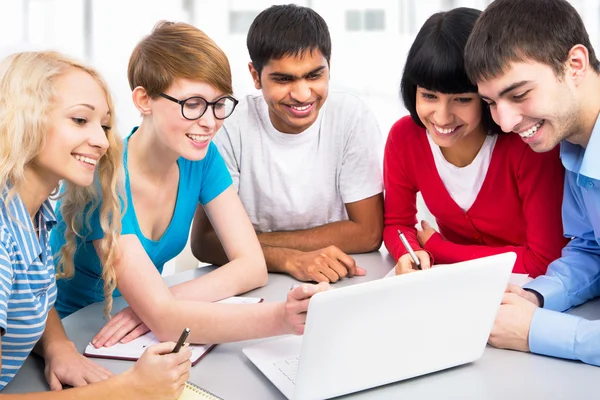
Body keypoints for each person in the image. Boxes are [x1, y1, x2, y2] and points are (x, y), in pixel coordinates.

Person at [51, 21, 327, 348]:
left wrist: (156, 304)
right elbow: (168, 323)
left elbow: (252, 267)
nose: (210, 122)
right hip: (72, 337)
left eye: (219, 103)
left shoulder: (201, 159)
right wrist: (283, 318)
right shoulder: (100, 177)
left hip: (133, 328)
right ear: (144, 100)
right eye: (192, 104)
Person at [0, 51, 191, 398]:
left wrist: (58, 347)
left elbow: (31, 298)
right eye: (79, 120)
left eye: (103, 125)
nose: (103, 141)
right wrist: (131, 389)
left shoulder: (34, 211)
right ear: (23, 118)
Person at [190, 4, 385, 284]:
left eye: (314, 75)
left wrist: (248, 243)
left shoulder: (351, 116)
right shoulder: (229, 127)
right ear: (256, 76)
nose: (302, 94)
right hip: (256, 280)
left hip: (338, 278)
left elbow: (368, 233)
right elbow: (205, 242)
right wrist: (288, 258)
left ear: (329, 68)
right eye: (283, 79)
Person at [464, 0, 600, 367]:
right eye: (491, 102)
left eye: (519, 94)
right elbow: (592, 248)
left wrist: (538, 331)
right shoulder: (574, 145)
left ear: (575, 65)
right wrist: (536, 296)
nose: (505, 123)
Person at [383, 7, 567, 277]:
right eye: (429, 96)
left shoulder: (528, 143)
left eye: (462, 99)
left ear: (486, 95)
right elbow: (397, 223)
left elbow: (544, 260)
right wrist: (412, 252)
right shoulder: (404, 138)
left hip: (530, 292)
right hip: (456, 288)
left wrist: (440, 249)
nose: (442, 117)